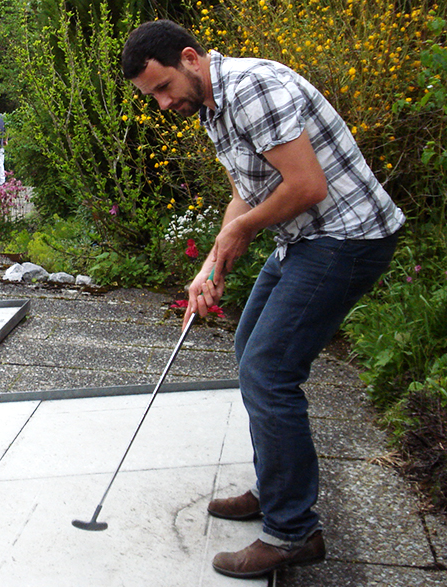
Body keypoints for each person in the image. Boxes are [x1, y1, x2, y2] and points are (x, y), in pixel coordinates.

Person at [120, 20, 404, 579]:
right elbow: (243, 193)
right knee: (251, 352)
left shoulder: (252, 88)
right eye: (150, 96)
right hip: (308, 237)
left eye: (161, 88)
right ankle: (277, 486)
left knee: (269, 371)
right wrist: (212, 265)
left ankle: (294, 531)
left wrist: (242, 232)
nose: (161, 103)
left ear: (190, 58)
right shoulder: (211, 108)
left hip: (347, 238)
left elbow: (306, 187)